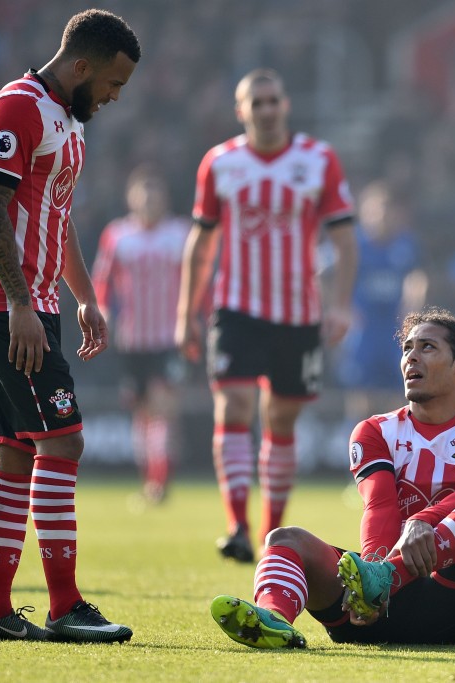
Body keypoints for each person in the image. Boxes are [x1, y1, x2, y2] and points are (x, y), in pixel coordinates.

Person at [0, 9, 140, 642]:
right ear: (81, 66)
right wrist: (19, 305)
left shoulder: (67, 120)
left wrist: (83, 295)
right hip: (4, 305)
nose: (115, 97)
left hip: (36, 304)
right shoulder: (17, 108)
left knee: (14, 454)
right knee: (64, 443)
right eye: (113, 83)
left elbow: (56, 217)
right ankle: (63, 606)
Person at [208, 308, 455, 648]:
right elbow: (379, 506)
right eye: (407, 348)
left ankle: (385, 580)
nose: (411, 357)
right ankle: (273, 618)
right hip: (372, 612)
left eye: (427, 347)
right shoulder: (375, 430)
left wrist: (420, 524)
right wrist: (371, 575)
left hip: (454, 602)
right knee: (285, 539)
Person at [176, 68, 358, 563]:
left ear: (287, 104)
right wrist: (186, 311)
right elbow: (202, 240)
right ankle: (237, 523)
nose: (266, 109)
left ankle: (271, 533)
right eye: (256, 102)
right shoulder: (220, 162)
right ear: (241, 111)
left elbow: (343, 239)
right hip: (235, 308)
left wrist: (340, 305)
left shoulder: (318, 160)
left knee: (280, 418)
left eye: (273, 100)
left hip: (298, 316)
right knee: (233, 406)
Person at [91, 164, 190, 504]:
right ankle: (150, 479)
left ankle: (159, 484)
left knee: (163, 408)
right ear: (130, 198)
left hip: (169, 338)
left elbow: (198, 281)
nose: (149, 198)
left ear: (165, 198)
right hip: (132, 340)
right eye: (142, 191)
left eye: (155, 191)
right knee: (143, 414)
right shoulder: (117, 235)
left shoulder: (180, 233)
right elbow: (103, 282)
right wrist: (102, 312)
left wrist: (198, 319)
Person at [336, 180, 427, 421]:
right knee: (361, 394)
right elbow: (327, 276)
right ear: (365, 211)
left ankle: (396, 452)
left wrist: (412, 313)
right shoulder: (354, 245)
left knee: (400, 392)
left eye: (388, 208)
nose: (383, 215)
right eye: (378, 208)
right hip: (364, 329)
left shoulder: (406, 244)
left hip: (394, 328)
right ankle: (358, 449)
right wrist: (343, 309)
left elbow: (417, 279)